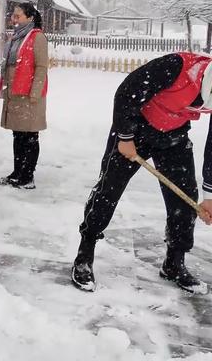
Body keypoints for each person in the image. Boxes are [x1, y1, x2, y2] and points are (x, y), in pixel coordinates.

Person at [71, 52, 212, 295]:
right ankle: (84, 255)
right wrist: (125, 136)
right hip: (136, 130)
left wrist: (210, 193)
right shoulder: (177, 66)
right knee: (108, 191)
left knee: (184, 199)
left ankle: (174, 263)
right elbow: (126, 93)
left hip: (174, 136)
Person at [0, 3, 48, 190]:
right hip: (16, 91)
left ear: (29, 17)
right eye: (13, 15)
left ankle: (28, 176)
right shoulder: (17, 36)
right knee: (18, 134)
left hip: (30, 94)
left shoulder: (37, 37)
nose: (14, 18)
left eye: (18, 16)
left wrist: (35, 93)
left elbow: (42, 67)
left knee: (30, 136)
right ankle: (17, 172)